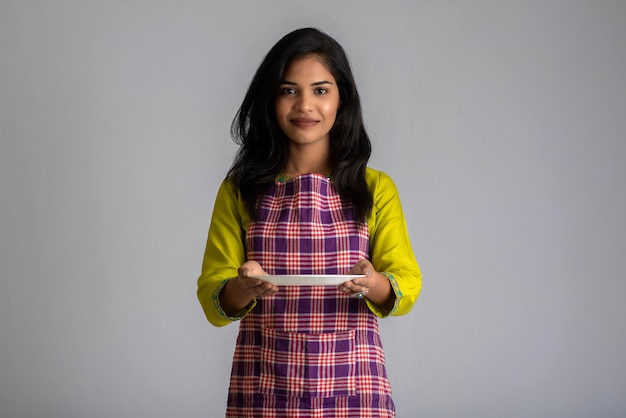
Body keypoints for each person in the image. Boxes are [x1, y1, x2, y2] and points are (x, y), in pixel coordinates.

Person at [197, 27, 422, 418]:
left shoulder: (375, 189)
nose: (305, 105)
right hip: (265, 386)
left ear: (342, 99)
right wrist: (243, 285)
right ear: (270, 99)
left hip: (354, 387)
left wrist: (373, 282)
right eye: (288, 90)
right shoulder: (239, 190)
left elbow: (406, 285)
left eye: (320, 90)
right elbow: (214, 300)